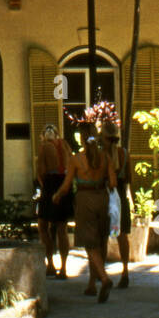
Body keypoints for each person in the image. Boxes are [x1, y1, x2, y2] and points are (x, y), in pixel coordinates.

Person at [54, 121, 116, 302]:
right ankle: (91, 284)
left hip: (84, 199)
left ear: (81, 138)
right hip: (102, 197)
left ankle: (103, 278)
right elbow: (113, 183)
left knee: (89, 243)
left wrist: (56, 196)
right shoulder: (105, 157)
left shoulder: (76, 159)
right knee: (101, 241)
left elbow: (66, 186)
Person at [35, 124, 74, 279]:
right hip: (65, 183)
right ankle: (63, 268)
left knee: (43, 225)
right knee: (61, 228)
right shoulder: (64, 144)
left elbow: (40, 171)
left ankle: (50, 264)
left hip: (51, 183)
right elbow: (71, 164)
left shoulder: (44, 147)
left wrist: (45, 189)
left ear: (43, 136)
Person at [103, 125, 132, 288]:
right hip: (121, 195)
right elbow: (129, 179)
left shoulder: (102, 155)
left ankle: (101, 274)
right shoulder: (125, 154)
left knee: (103, 235)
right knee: (122, 235)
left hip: (106, 194)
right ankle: (125, 271)